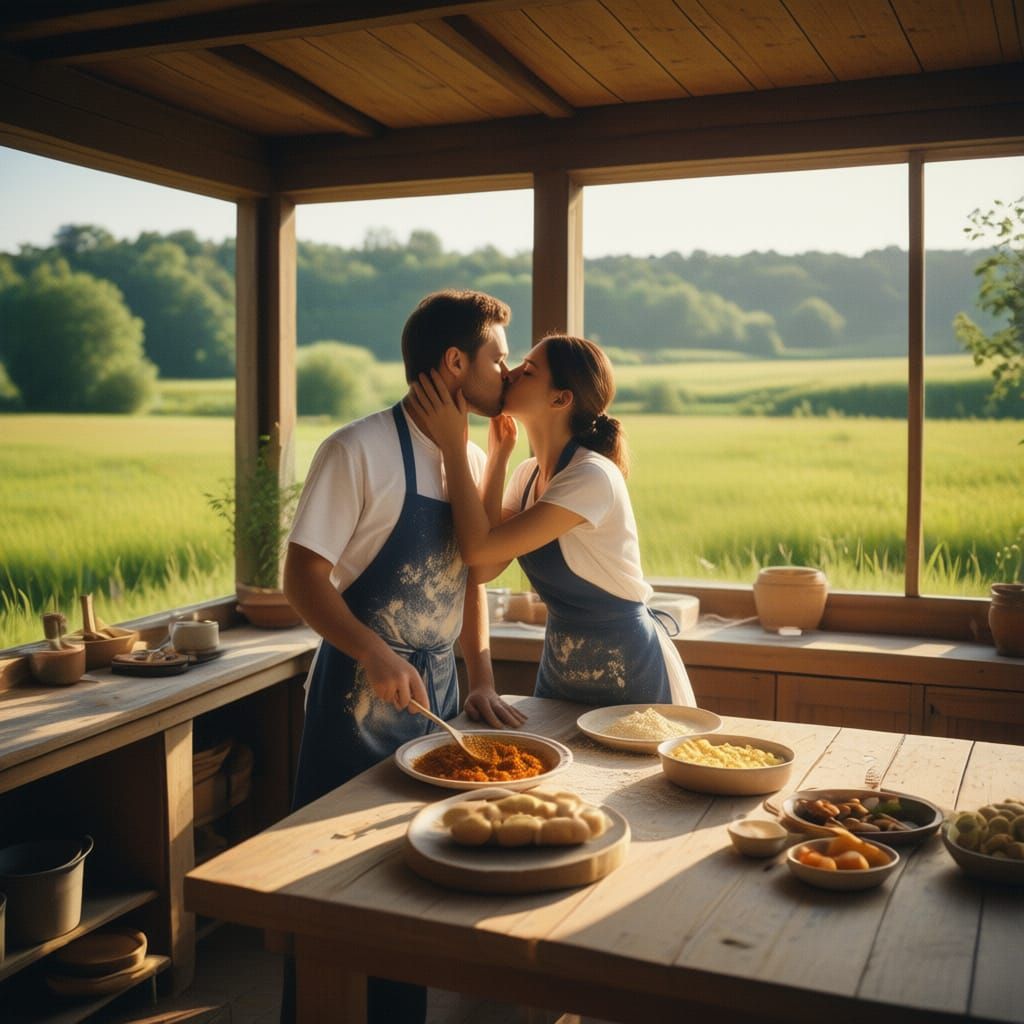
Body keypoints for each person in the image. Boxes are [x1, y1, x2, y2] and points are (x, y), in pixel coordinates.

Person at [281, 289, 526, 1024]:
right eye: (498, 358)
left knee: (412, 890)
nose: (509, 372)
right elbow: (301, 578)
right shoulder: (355, 450)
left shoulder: (469, 454)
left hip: (439, 698)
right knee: (333, 892)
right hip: (357, 701)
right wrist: (370, 649)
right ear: (455, 363)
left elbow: (472, 575)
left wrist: (479, 678)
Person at [410, 333, 695, 707]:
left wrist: (453, 446)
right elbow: (482, 568)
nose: (509, 374)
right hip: (562, 668)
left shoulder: (591, 476)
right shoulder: (527, 475)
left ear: (560, 399)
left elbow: (479, 549)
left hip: (629, 668)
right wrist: (498, 458)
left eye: (528, 371)